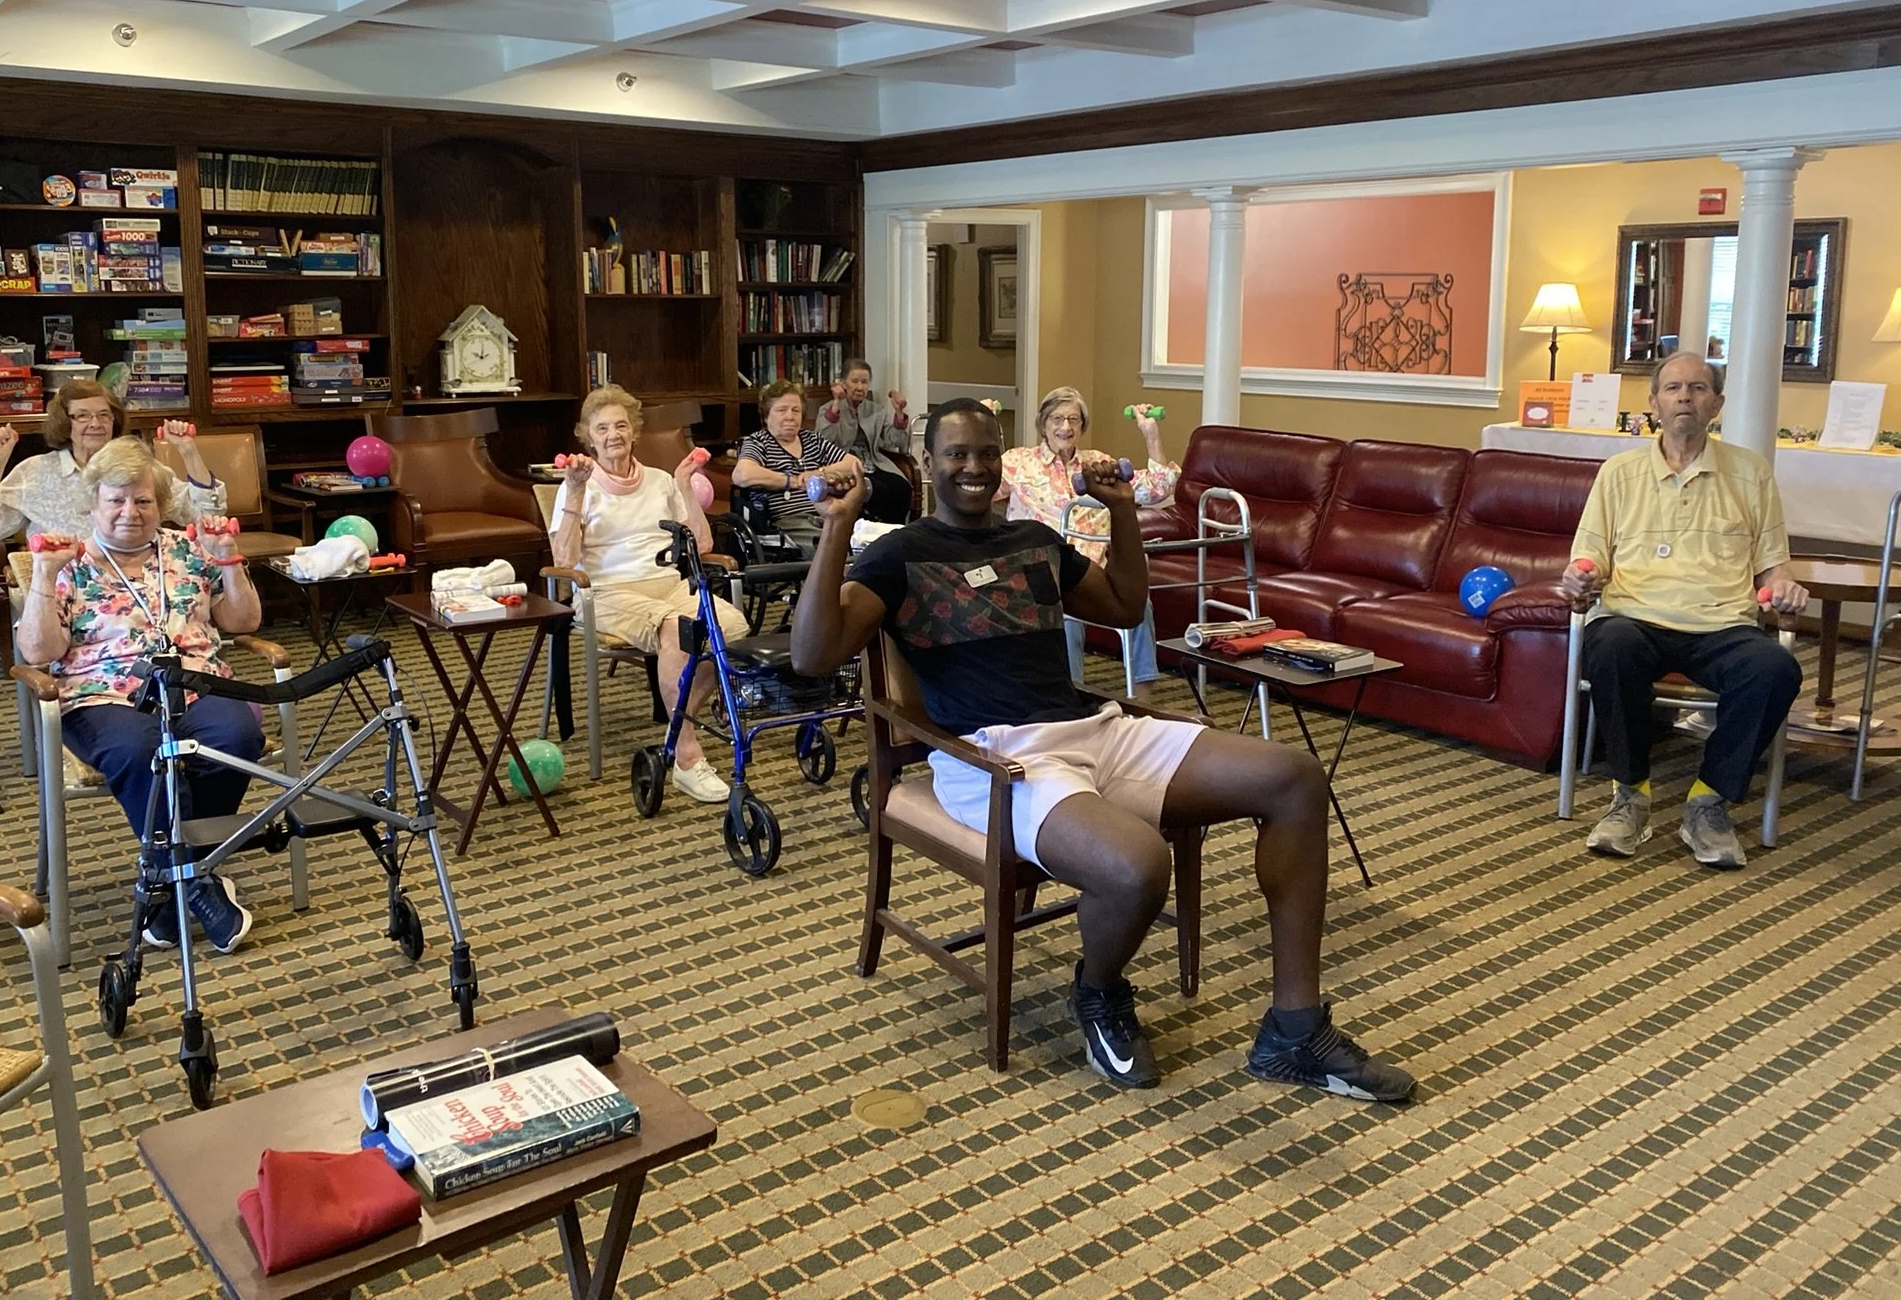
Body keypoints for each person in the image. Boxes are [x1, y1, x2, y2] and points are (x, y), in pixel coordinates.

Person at [790, 399, 1412, 1099]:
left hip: (1095, 727)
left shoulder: (1032, 540)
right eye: (956, 454)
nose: (973, 467)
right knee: (1137, 865)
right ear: (929, 464)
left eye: (986, 453)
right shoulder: (898, 555)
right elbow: (814, 655)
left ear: (1003, 462)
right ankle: (1099, 989)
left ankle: (1294, 1031)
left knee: (1294, 778)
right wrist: (836, 530)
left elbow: (1120, 606)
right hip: (996, 755)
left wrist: (1120, 512)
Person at [15, 437, 263, 953]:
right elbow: (38, 652)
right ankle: (195, 882)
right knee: (139, 752)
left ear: (160, 505)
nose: (131, 512)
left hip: (195, 682)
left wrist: (231, 563)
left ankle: (171, 883)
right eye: (116, 500)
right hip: (102, 694)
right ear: (94, 503)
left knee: (237, 736)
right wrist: (42, 574)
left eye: (143, 501)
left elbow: (243, 622)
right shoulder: (70, 562)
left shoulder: (190, 550)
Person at [1562, 351, 1808, 871]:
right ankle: (1631, 794)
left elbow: (1773, 568)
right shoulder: (1619, 473)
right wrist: (1580, 576)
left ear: (1716, 404)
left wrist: (1785, 586)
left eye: (1698, 389)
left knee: (1775, 669)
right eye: (1673, 388)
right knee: (1608, 645)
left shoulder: (1750, 473)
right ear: (1654, 402)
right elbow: (1590, 558)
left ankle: (1709, 801)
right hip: (1635, 616)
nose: (1684, 398)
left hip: (1721, 624)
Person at [547, 385, 749, 804]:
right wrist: (577, 492)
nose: (612, 434)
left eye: (621, 425)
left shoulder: (659, 481)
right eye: (601, 428)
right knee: (678, 630)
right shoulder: (577, 485)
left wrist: (684, 485)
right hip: (605, 592)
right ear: (588, 436)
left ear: (634, 431)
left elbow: (703, 544)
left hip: (669, 586)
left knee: (731, 626)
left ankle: (677, 730)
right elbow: (564, 559)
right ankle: (689, 758)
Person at [999, 387, 1179, 696]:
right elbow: (978, 491)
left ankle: (1144, 699)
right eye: (1057, 418)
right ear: (1043, 424)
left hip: (1097, 569)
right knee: (1064, 612)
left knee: (1140, 603)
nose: (1065, 427)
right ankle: (1073, 693)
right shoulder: (1018, 463)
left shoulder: (1098, 464)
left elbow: (1156, 489)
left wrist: (1150, 434)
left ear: (1083, 426)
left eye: (1073, 419)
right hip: (1047, 569)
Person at [0, 380, 221, 543]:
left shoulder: (138, 466)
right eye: (82, 416)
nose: (96, 424)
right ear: (65, 422)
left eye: (104, 415)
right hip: (62, 590)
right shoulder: (35, 471)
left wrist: (188, 452)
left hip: (136, 584)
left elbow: (205, 515)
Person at [733, 379, 862, 552]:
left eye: (796, 410)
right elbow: (742, 474)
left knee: (866, 544)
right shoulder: (758, 442)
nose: (790, 416)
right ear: (766, 416)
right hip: (787, 523)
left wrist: (818, 473)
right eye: (781, 410)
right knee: (833, 547)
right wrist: (794, 481)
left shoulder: (812, 440)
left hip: (825, 516)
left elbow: (854, 464)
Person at [816, 360, 914, 523]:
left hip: (873, 462)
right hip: (845, 465)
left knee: (901, 487)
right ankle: (875, 533)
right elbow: (823, 441)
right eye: (854, 381)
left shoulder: (875, 410)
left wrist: (899, 414)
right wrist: (836, 404)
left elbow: (894, 441)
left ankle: (897, 532)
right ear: (842, 383)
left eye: (864, 382)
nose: (860, 387)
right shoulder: (828, 409)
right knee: (879, 490)